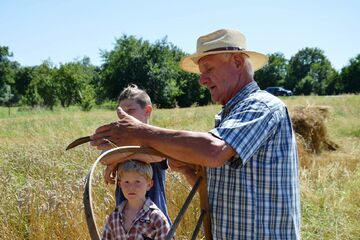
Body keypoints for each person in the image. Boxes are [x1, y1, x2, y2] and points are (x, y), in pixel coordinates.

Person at [91, 29, 301, 239]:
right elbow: (220, 191)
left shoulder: (262, 106)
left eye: (208, 69)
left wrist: (141, 133)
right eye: (201, 72)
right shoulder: (228, 117)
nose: (202, 80)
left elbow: (214, 151)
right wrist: (188, 172)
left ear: (237, 62)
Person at [108, 84, 171, 224]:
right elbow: (104, 157)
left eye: (130, 110)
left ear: (147, 111)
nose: (124, 116)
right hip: (125, 222)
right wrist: (112, 160)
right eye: (121, 112)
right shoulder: (120, 140)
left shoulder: (156, 138)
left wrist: (115, 161)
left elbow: (157, 155)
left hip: (155, 224)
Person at [101, 160, 171, 239]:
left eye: (137, 182)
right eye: (126, 182)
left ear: (149, 185)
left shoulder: (156, 218)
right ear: (120, 184)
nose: (131, 188)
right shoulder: (114, 217)